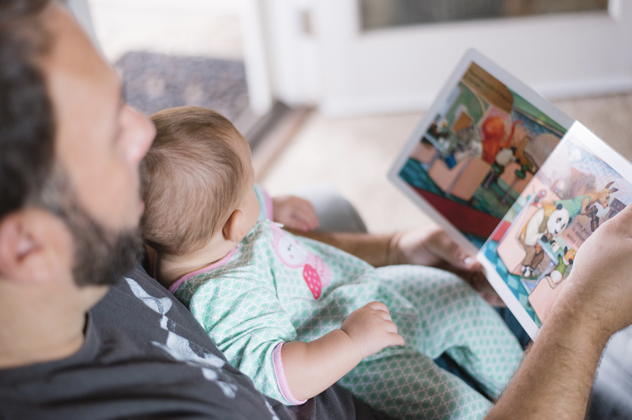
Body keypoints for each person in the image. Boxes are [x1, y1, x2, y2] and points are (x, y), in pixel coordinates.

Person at [0, 1, 630, 419]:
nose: (143, 132)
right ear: (26, 247)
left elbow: (255, 245)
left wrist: (391, 247)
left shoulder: (106, 230)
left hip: (366, 303)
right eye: (109, 132)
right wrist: (585, 318)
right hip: (388, 372)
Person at [140, 105, 523, 418]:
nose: (257, 192)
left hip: (362, 289)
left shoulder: (197, 236)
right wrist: (352, 341)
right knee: (457, 408)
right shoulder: (223, 296)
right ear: (235, 224)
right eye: (251, 187)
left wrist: (272, 203)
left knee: (454, 293)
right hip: (365, 358)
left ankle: (522, 381)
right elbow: (281, 375)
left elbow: (230, 202)